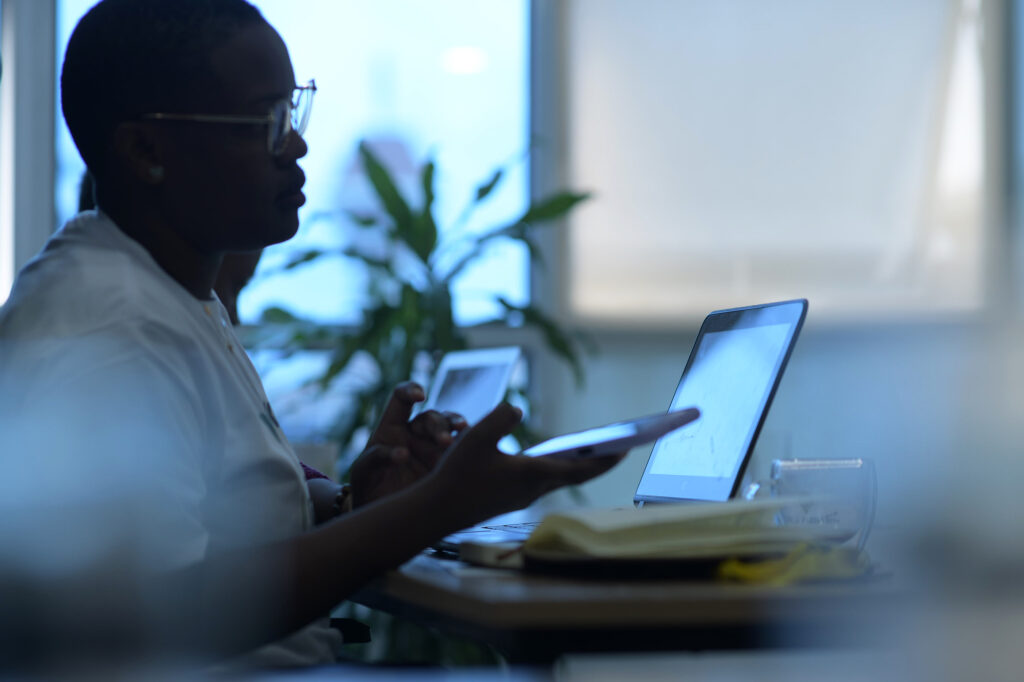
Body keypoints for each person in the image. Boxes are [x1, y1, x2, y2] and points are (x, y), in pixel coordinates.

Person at [0, 0, 623, 669]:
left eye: (294, 112)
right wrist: (433, 508)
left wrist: (357, 503)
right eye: (265, 120)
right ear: (147, 150)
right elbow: (155, 615)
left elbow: (215, 526)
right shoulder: (108, 327)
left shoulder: (172, 293)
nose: (295, 144)